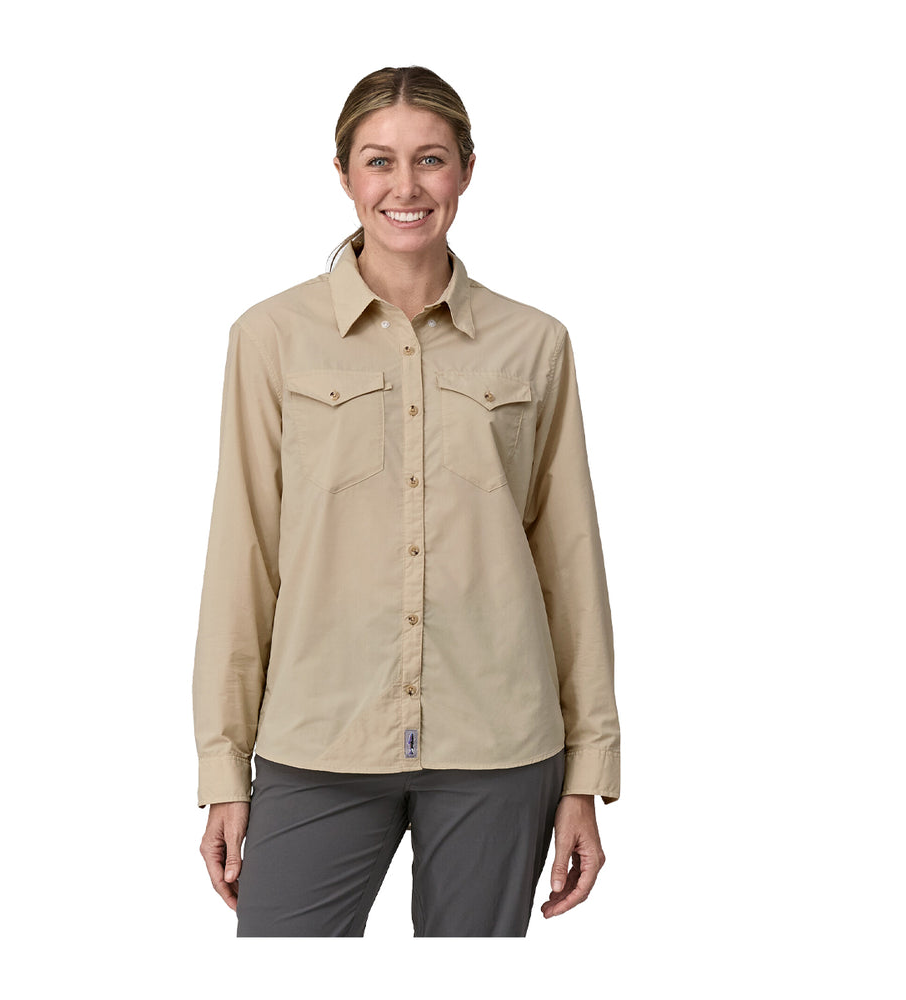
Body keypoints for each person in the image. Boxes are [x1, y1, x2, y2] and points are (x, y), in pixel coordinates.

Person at [193, 65, 621, 937]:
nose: (405, 186)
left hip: (500, 742)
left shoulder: (534, 343)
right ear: (344, 175)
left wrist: (587, 772)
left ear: (466, 170)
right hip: (318, 737)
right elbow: (244, 554)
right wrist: (222, 770)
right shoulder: (270, 339)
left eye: (430, 159)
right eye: (379, 161)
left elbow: (569, 561)